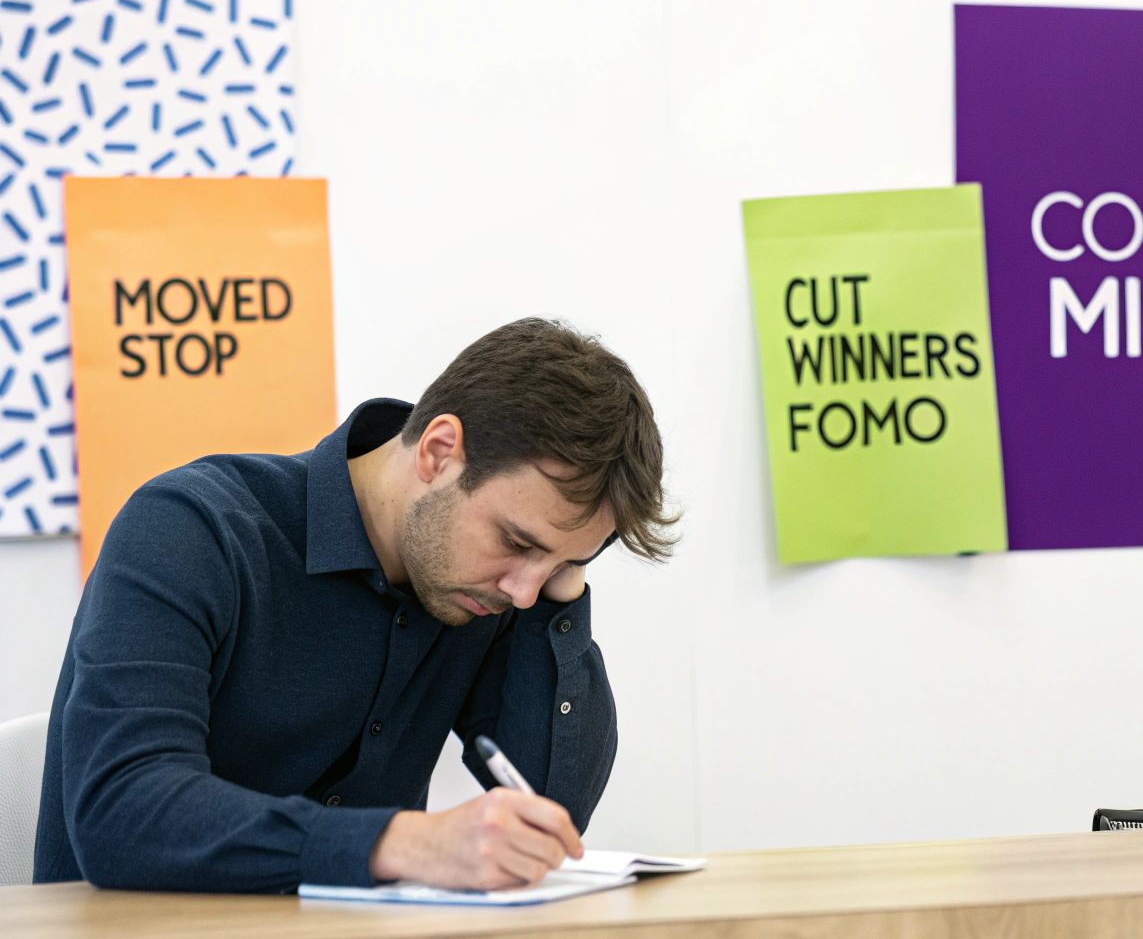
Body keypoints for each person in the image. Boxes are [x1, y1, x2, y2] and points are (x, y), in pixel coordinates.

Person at [34, 317, 675, 893]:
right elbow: (124, 814)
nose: (522, 591)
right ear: (438, 452)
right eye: (515, 541)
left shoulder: (489, 589)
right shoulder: (191, 531)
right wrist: (400, 845)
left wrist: (563, 585)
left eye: (563, 562)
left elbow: (551, 802)